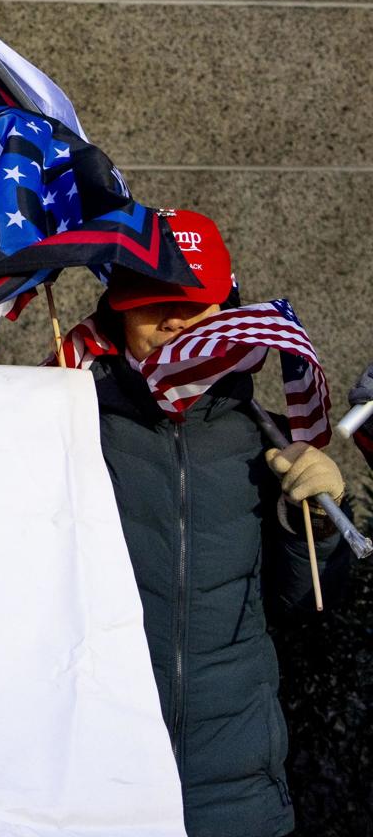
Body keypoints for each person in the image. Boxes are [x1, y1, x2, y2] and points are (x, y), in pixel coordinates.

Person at [77, 209, 344, 837]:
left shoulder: (267, 439)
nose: (172, 320)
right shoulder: (60, 421)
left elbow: (304, 601)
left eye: (191, 304)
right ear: (115, 311)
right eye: (151, 302)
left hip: (234, 793)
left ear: (227, 307)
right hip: (91, 782)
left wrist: (315, 523)